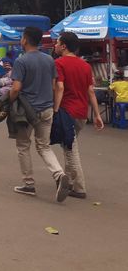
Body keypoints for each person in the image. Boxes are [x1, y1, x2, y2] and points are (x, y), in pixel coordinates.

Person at [9, 26, 71, 202]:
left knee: (23, 146)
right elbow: (54, 85)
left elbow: (16, 88)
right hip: (47, 109)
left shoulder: (21, 61)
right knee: (44, 146)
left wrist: (9, 101)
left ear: (25, 40)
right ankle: (59, 174)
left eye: (22, 37)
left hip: (27, 111)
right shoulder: (49, 60)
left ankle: (28, 184)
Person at [53, 32, 104, 198]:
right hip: (82, 113)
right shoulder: (85, 66)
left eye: (57, 42)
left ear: (64, 46)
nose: (55, 45)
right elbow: (91, 91)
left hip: (66, 111)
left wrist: (55, 109)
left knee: (70, 149)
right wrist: (97, 114)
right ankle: (67, 182)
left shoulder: (59, 63)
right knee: (69, 145)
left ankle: (80, 187)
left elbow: (59, 88)